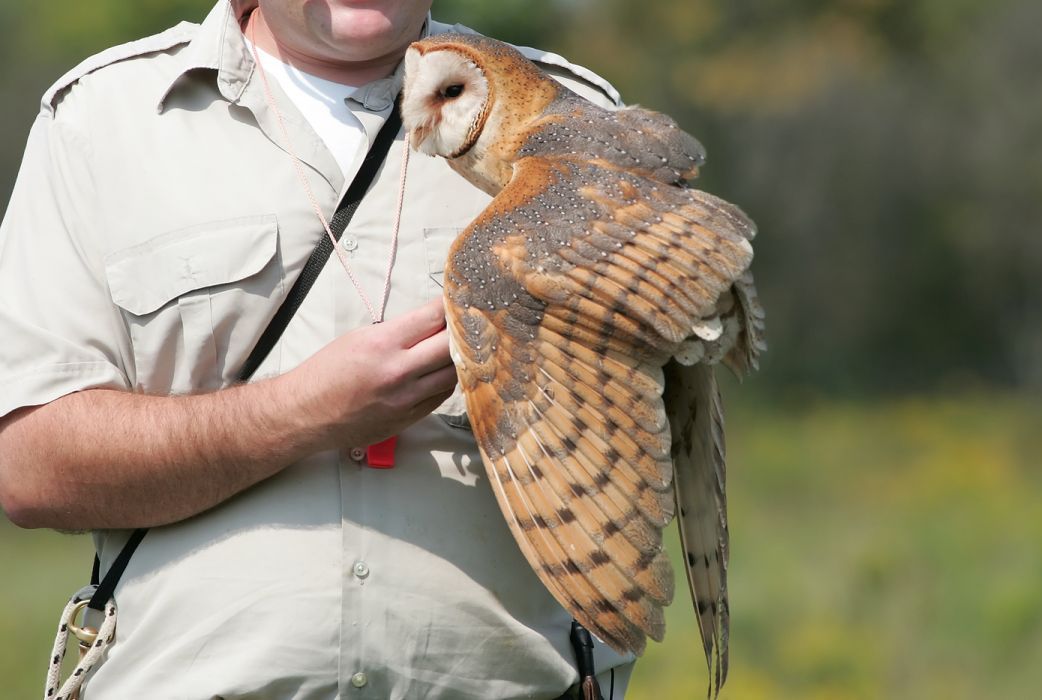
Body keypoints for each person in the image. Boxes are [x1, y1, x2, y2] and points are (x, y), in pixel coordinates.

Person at [0, 1, 634, 697]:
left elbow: (655, 428)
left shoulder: (572, 120)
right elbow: (28, 468)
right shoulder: (103, 119)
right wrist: (299, 413)